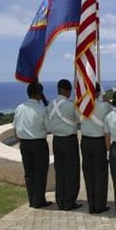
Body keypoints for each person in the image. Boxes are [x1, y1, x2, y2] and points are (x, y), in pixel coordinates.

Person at [13, 83, 51, 209]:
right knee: (40, 172)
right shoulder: (41, 109)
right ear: (38, 94)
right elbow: (48, 127)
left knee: (29, 173)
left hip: (24, 143)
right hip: (38, 143)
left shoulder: (19, 108)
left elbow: (15, 128)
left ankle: (32, 199)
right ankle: (39, 200)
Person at [47, 79, 81, 211]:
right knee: (72, 171)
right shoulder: (70, 105)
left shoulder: (50, 104)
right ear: (67, 91)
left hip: (56, 140)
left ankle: (60, 199)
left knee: (60, 171)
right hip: (69, 140)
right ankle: (69, 201)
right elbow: (80, 119)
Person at [80, 83, 112, 214]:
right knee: (100, 174)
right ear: (99, 92)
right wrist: (106, 100)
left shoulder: (81, 106)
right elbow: (114, 113)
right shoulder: (105, 106)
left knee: (88, 174)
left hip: (85, 141)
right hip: (99, 142)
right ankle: (100, 205)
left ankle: (91, 205)